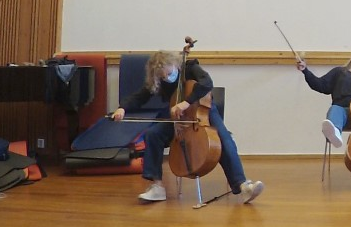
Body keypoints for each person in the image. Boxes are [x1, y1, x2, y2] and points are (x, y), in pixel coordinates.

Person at [111, 51, 265, 203]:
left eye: (169, 73)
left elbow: (207, 83)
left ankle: (243, 186)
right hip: (179, 117)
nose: (167, 78)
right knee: (153, 134)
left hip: (203, 111)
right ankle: (157, 187)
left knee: (224, 139)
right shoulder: (159, 81)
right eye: (162, 77)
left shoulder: (190, 68)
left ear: (175, 64)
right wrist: (122, 108)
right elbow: (139, 97)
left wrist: (186, 103)